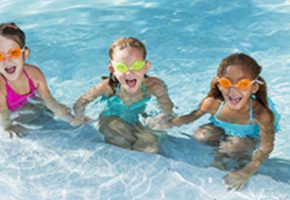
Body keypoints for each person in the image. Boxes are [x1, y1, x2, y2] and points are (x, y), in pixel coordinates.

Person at [151, 53, 279, 190]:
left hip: (249, 135)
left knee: (235, 145)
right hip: (221, 126)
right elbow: (190, 117)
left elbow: (266, 147)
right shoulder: (212, 104)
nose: (232, 90)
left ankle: (222, 161)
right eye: (226, 83)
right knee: (201, 135)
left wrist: (248, 170)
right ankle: (219, 159)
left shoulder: (261, 113)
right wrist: (167, 123)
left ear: (254, 88)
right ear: (219, 85)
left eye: (242, 84)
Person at [73, 37, 174, 153]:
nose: (129, 73)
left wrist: (162, 117)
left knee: (150, 146)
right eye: (122, 67)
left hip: (136, 120)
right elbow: (81, 101)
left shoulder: (154, 85)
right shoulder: (108, 87)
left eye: (136, 66)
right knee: (120, 142)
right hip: (111, 119)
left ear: (146, 66)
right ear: (112, 69)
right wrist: (81, 117)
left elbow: (167, 106)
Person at [0, 22, 76, 137]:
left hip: (27, 105)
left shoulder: (34, 75)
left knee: (47, 112)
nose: (7, 61)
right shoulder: (1, 85)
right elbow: (4, 115)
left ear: (25, 54)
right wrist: (9, 127)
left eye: (13, 53)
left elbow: (49, 101)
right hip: (10, 111)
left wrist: (72, 119)